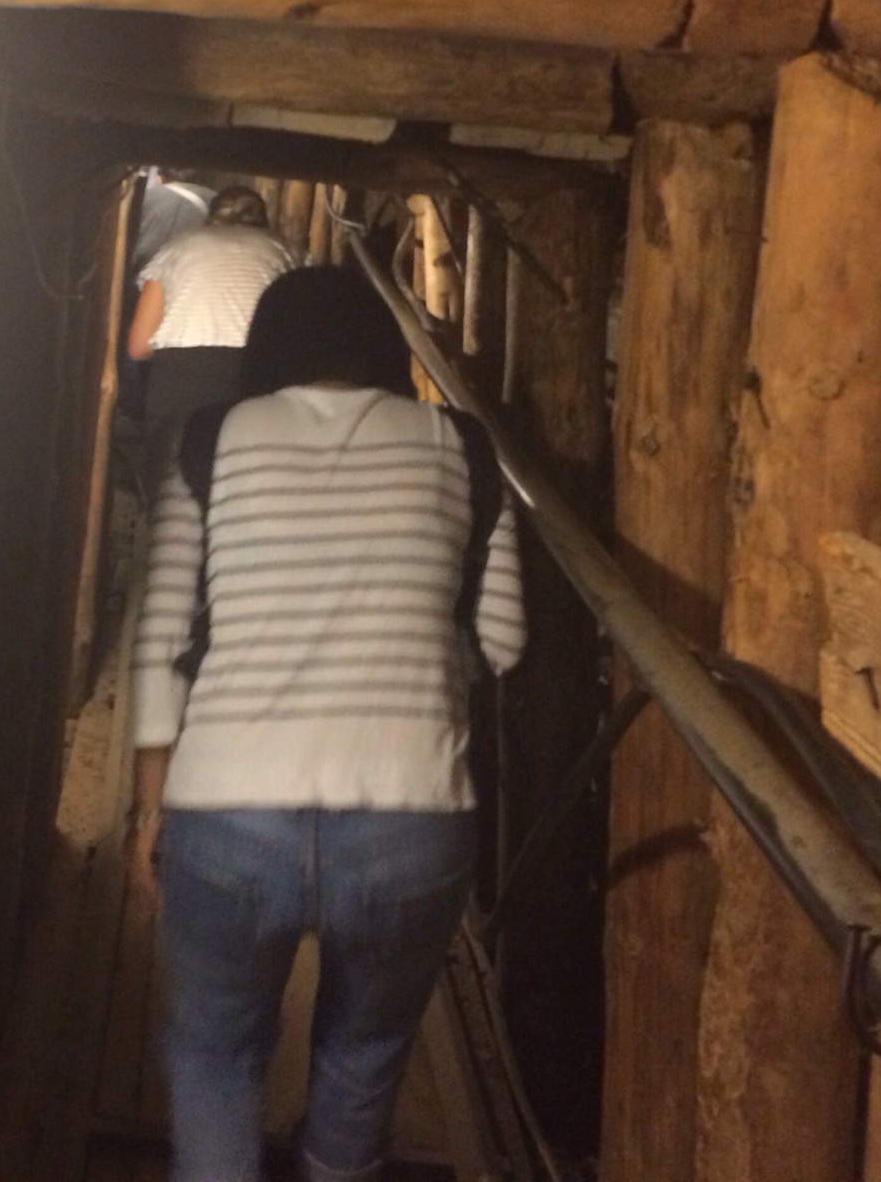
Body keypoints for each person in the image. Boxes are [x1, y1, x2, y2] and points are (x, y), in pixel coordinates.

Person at [129, 266, 527, 1182]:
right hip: (411, 815)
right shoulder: (463, 448)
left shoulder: (208, 441)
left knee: (214, 1051)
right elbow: (504, 643)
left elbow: (161, 633)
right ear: (384, 345)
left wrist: (149, 811)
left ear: (268, 347)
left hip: (228, 812)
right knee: (365, 1055)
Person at [128, 185, 296, 499]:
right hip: (255, 374)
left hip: (180, 377)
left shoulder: (178, 248)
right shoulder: (285, 251)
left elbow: (138, 345)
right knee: (244, 488)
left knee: (171, 490)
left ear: (210, 217)